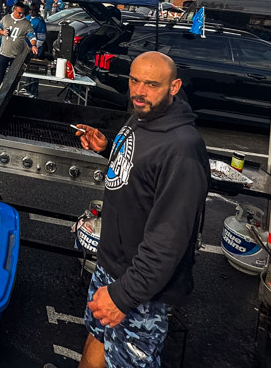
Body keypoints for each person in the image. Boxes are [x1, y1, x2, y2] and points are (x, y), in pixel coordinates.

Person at [74, 52, 208, 368]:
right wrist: (108, 149)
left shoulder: (182, 150)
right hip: (112, 264)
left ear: (174, 87)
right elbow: (140, 172)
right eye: (134, 80)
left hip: (141, 287)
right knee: (98, 336)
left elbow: (168, 240)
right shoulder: (143, 115)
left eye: (151, 84)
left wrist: (124, 296)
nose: (139, 91)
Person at [0, 2, 38, 85]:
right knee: (0, 74)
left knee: (13, 76)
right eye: (19, 12)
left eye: (23, 13)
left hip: (16, 55)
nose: (21, 15)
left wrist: (34, 45)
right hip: (4, 53)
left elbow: (32, 36)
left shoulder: (26, 23)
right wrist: (2, 32)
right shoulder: (6, 18)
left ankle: (9, 92)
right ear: (14, 10)